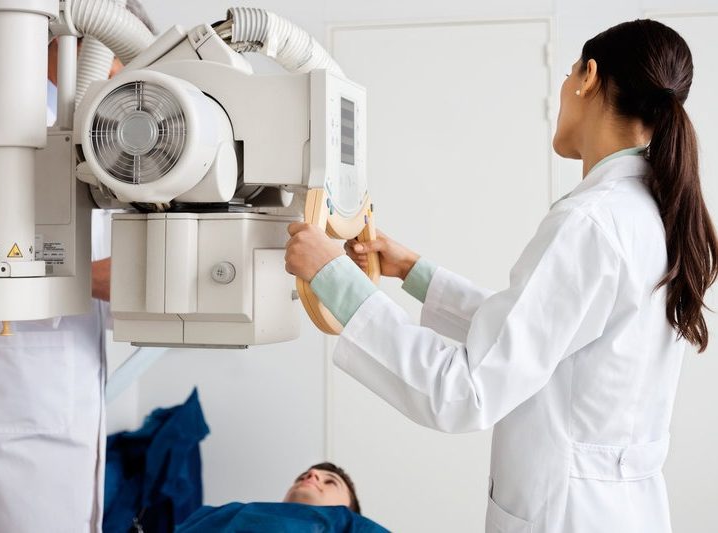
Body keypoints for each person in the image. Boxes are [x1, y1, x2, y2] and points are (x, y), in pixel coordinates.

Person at [284, 19, 717, 533]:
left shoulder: (591, 222)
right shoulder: (650, 213)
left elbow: (465, 391)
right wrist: (414, 272)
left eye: (568, 74)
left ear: (588, 76)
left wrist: (333, 277)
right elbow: (544, 340)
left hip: (566, 517)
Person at [0, 2, 157, 531]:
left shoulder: (102, 147)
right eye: (118, 68)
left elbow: (108, 280)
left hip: (62, 389)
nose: (123, 87)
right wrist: (88, 277)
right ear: (71, 44)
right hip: (10, 394)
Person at [176, 462, 389, 532]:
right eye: (304, 476)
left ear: (348, 509)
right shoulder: (219, 514)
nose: (311, 475)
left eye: (330, 481)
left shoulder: (352, 527)